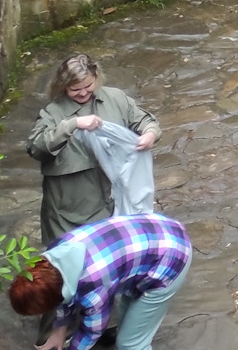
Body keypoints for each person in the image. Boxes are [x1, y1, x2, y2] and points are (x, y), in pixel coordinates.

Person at [8, 212, 192, 350]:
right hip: (149, 235)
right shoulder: (52, 256)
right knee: (127, 329)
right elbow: (62, 291)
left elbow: (92, 330)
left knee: (132, 345)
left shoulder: (93, 285)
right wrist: (59, 332)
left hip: (170, 257)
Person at [27, 55, 159, 246]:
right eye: (75, 89)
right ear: (63, 87)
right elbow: (35, 147)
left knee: (117, 259)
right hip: (69, 212)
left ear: (96, 78)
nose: (82, 93)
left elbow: (145, 120)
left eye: (88, 86)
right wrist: (72, 124)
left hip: (114, 202)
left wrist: (150, 134)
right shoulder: (52, 113)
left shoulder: (115, 98)